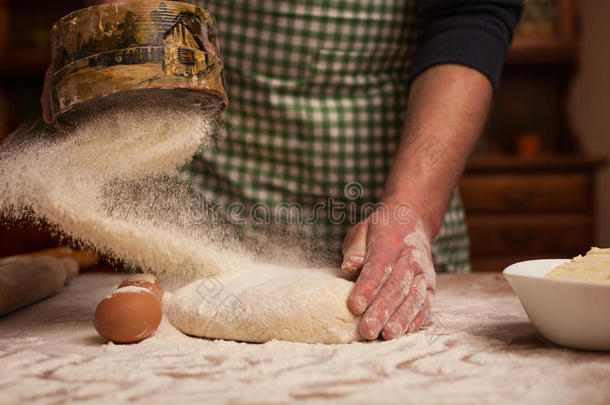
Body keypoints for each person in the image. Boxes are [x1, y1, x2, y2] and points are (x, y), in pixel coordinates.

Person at [41, 0, 523, 341]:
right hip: (199, 198)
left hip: (383, 186)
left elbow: (471, 14)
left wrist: (409, 208)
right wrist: (104, 48)